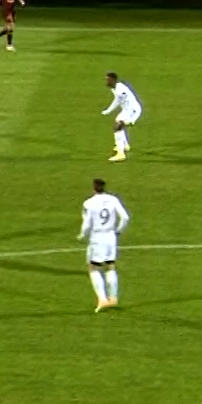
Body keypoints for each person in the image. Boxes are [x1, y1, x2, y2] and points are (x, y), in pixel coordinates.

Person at [80, 178, 129, 312]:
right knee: (110, 265)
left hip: (97, 236)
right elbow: (125, 217)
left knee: (93, 267)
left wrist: (82, 235)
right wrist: (118, 230)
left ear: (93, 188)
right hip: (111, 236)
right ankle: (113, 298)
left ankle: (102, 299)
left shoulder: (89, 203)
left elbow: (87, 224)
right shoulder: (113, 199)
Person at [101, 71, 142, 162]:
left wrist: (108, 111)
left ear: (113, 80)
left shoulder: (120, 91)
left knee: (117, 127)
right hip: (127, 110)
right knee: (118, 123)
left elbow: (117, 101)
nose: (107, 82)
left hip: (132, 111)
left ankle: (121, 154)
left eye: (108, 80)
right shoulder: (115, 87)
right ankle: (124, 145)